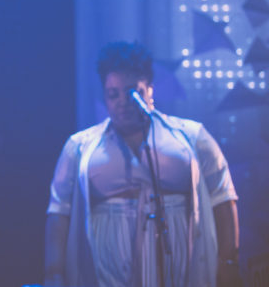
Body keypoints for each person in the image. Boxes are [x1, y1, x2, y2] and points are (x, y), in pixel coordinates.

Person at [44, 42, 240, 287]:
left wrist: (228, 262)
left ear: (149, 90)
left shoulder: (191, 137)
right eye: (112, 94)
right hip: (107, 273)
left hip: (180, 268)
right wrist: (53, 274)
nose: (122, 102)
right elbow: (59, 212)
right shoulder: (80, 147)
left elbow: (223, 197)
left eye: (131, 92)